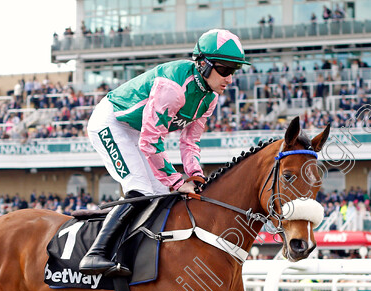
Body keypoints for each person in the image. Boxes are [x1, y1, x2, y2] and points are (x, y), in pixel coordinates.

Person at [80, 28, 248, 276]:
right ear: (203, 64)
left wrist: (195, 175)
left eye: (234, 71)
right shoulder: (173, 88)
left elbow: (190, 142)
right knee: (140, 189)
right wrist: (178, 181)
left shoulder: (209, 98)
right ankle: (96, 254)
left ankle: (138, 258)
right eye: (224, 70)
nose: (229, 78)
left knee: (161, 196)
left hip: (136, 130)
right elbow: (150, 141)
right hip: (111, 122)